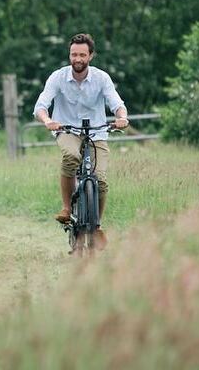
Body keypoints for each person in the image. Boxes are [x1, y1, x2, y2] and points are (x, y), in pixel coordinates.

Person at [33, 33, 129, 249]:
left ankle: (96, 226)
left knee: (100, 180)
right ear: (69, 55)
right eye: (74, 54)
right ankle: (67, 208)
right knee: (71, 156)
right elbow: (40, 106)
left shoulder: (101, 78)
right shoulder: (58, 77)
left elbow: (117, 103)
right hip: (67, 130)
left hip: (97, 132)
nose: (77, 59)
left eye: (82, 55)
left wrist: (122, 117)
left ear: (91, 56)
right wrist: (48, 120)